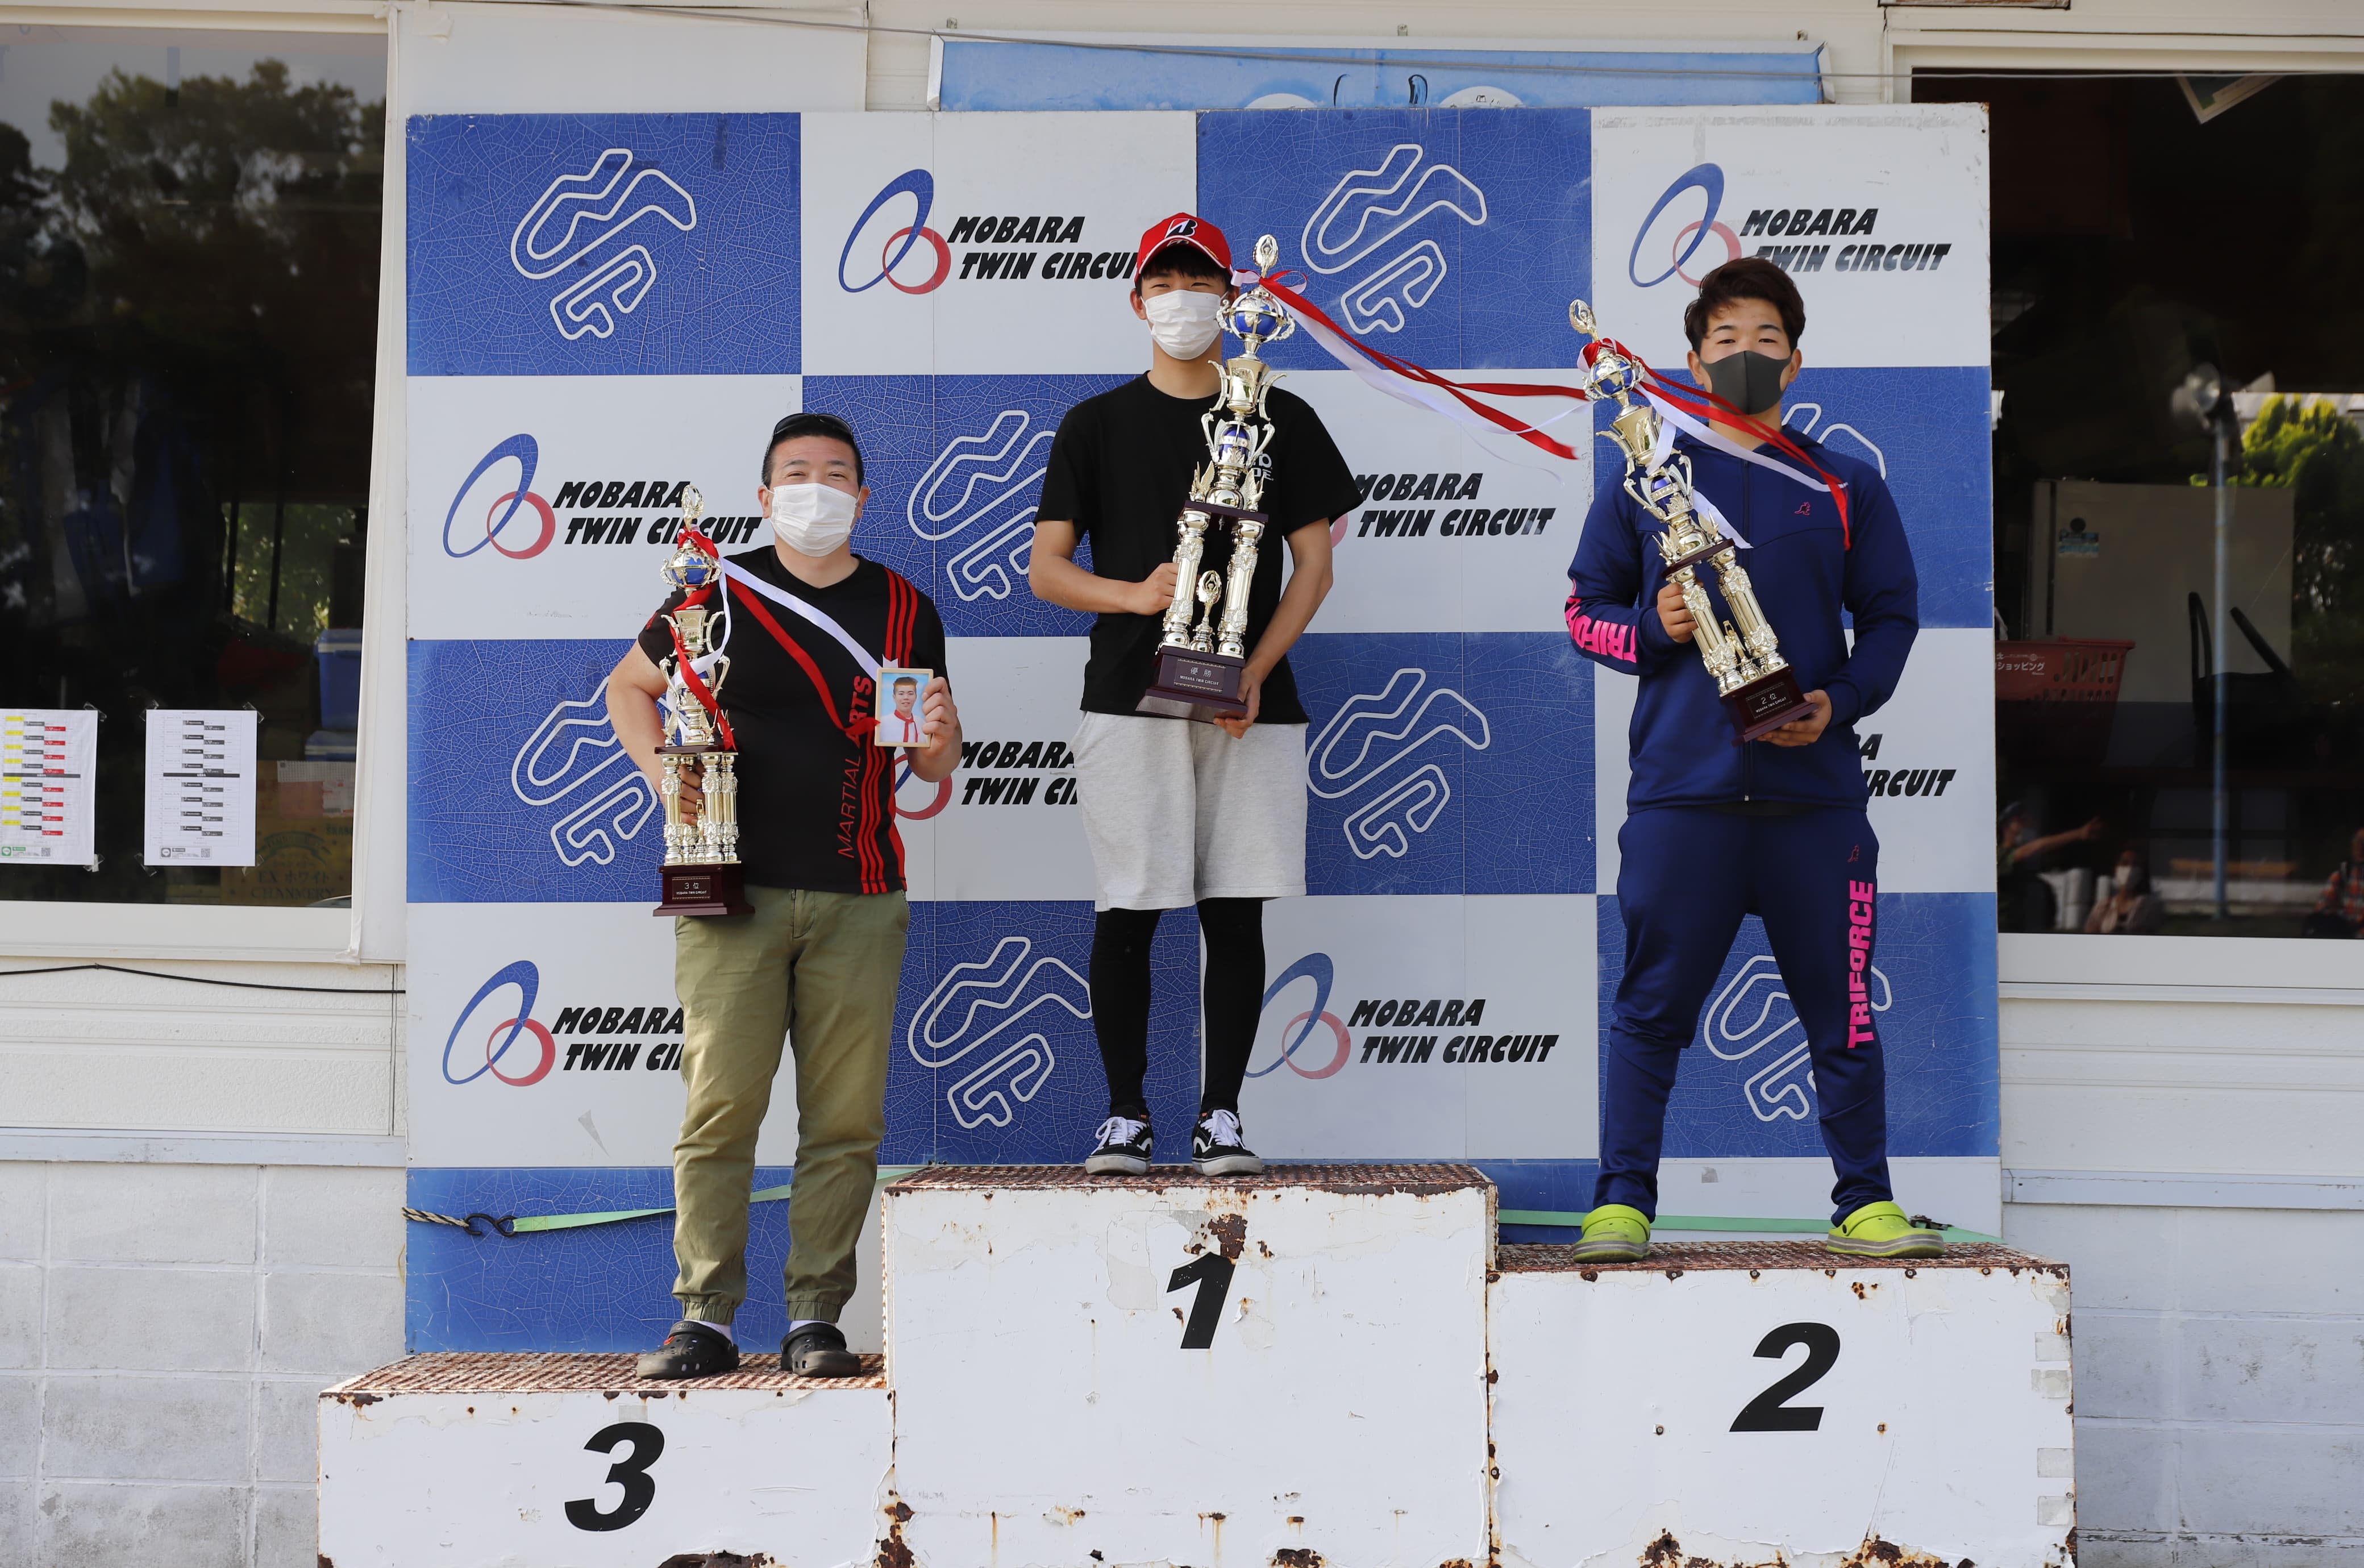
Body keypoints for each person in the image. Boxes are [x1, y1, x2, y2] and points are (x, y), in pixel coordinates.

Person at [1564, 256, 1937, 1263]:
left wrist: (1839, 702)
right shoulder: (1648, 478)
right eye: (1724, 340)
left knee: (1843, 1016)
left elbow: (1894, 618)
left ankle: (1865, 1200)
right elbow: (1584, 613)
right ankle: (1622, 1203)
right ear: (1691, 362)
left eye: (1766, 339)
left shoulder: (1845, 483)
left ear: (1796, 361)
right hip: (1682, 799)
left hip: (1817, 802)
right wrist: (1655, 626)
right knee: (1650, 1013)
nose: (1745, 355)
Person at [606, 411, 962, 1379]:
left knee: (844, 1122)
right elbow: (628, 687)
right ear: (765, 496)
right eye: (796, 473)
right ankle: (705, 1316)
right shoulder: (714, 590)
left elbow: (935, 755)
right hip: (732, 888)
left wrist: (938, 734)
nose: (816, 489)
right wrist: (665, 775)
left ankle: (815, 1316)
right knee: (720, 1108)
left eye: (836, 473)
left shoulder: (905, 607)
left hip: (861, 890)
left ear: (863, 496)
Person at [1029, 213, 1359, 1177]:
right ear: (1138, 301)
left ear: (1232, 299)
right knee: (1130, 906)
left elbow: (1314, 568)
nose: (1183, 299)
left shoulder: (1282, 414)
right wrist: (1135, 595)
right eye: (1166, 283)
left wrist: (1252, 669)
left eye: (1201, 282)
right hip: (1127, 697)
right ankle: (1124, 1113)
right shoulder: (1095, 423)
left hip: (1248, 704)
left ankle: (1222, 1113)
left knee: (1235, 909)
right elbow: (1048, 569)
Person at [1998, 805, 2103, 933]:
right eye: (2022, 820)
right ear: (2006, 825)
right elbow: (2031, 849)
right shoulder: (1997, 855)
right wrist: (2079, 833)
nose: (2028, 825)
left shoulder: (2033, 874)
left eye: (2030, 821)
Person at [2085, 848, 2165, 934]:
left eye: (2135, 864)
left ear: (2142, 871)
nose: (2130, 869)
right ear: (2116, 869)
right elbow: (2090, 934)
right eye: (2125, 863)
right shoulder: (2102, 907)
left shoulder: (2149, 906)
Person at [2303, 827, 2364, 937]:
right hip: (2344, 937)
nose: (2360, 847)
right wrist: (2338, 919)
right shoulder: (2342, 875)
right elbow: (2322, 909)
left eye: (2362, 843)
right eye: (2357, 841)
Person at [883, 675, 923, 745]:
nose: (906, 697)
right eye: (901, 694)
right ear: (894, 697)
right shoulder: (883, 722)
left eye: (910, 694)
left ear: (916, 697)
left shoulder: (921, 723)